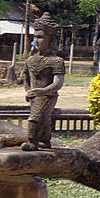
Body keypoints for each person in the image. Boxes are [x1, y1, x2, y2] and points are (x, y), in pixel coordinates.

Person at [21, 13, 64, 151]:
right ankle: (45, 140)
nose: (37, 41)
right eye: (35, 37)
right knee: (44, 119)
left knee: (34, 118)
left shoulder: (56, 61)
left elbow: (58, 83)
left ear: (51, 39)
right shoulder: (30, 60)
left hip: (48, 95)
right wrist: (29, 91)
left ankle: (32, 141)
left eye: (40, 37)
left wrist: (42, 91)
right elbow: (26, 79)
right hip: (34, 95)